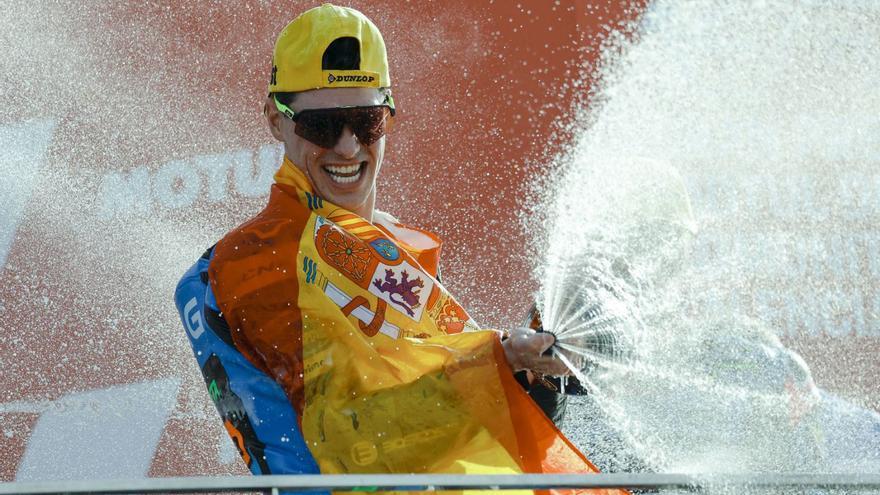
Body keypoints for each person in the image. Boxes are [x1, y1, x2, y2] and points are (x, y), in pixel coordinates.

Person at [173, 5, 621, 490]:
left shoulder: (395, 244)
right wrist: (501, 361)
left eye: (365, 122)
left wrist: (538, 372)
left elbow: (456, 429)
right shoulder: (258, 259)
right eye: (322, 126)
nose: (347, 147)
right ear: (275, 120)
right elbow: (353, 444)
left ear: (388, 115)